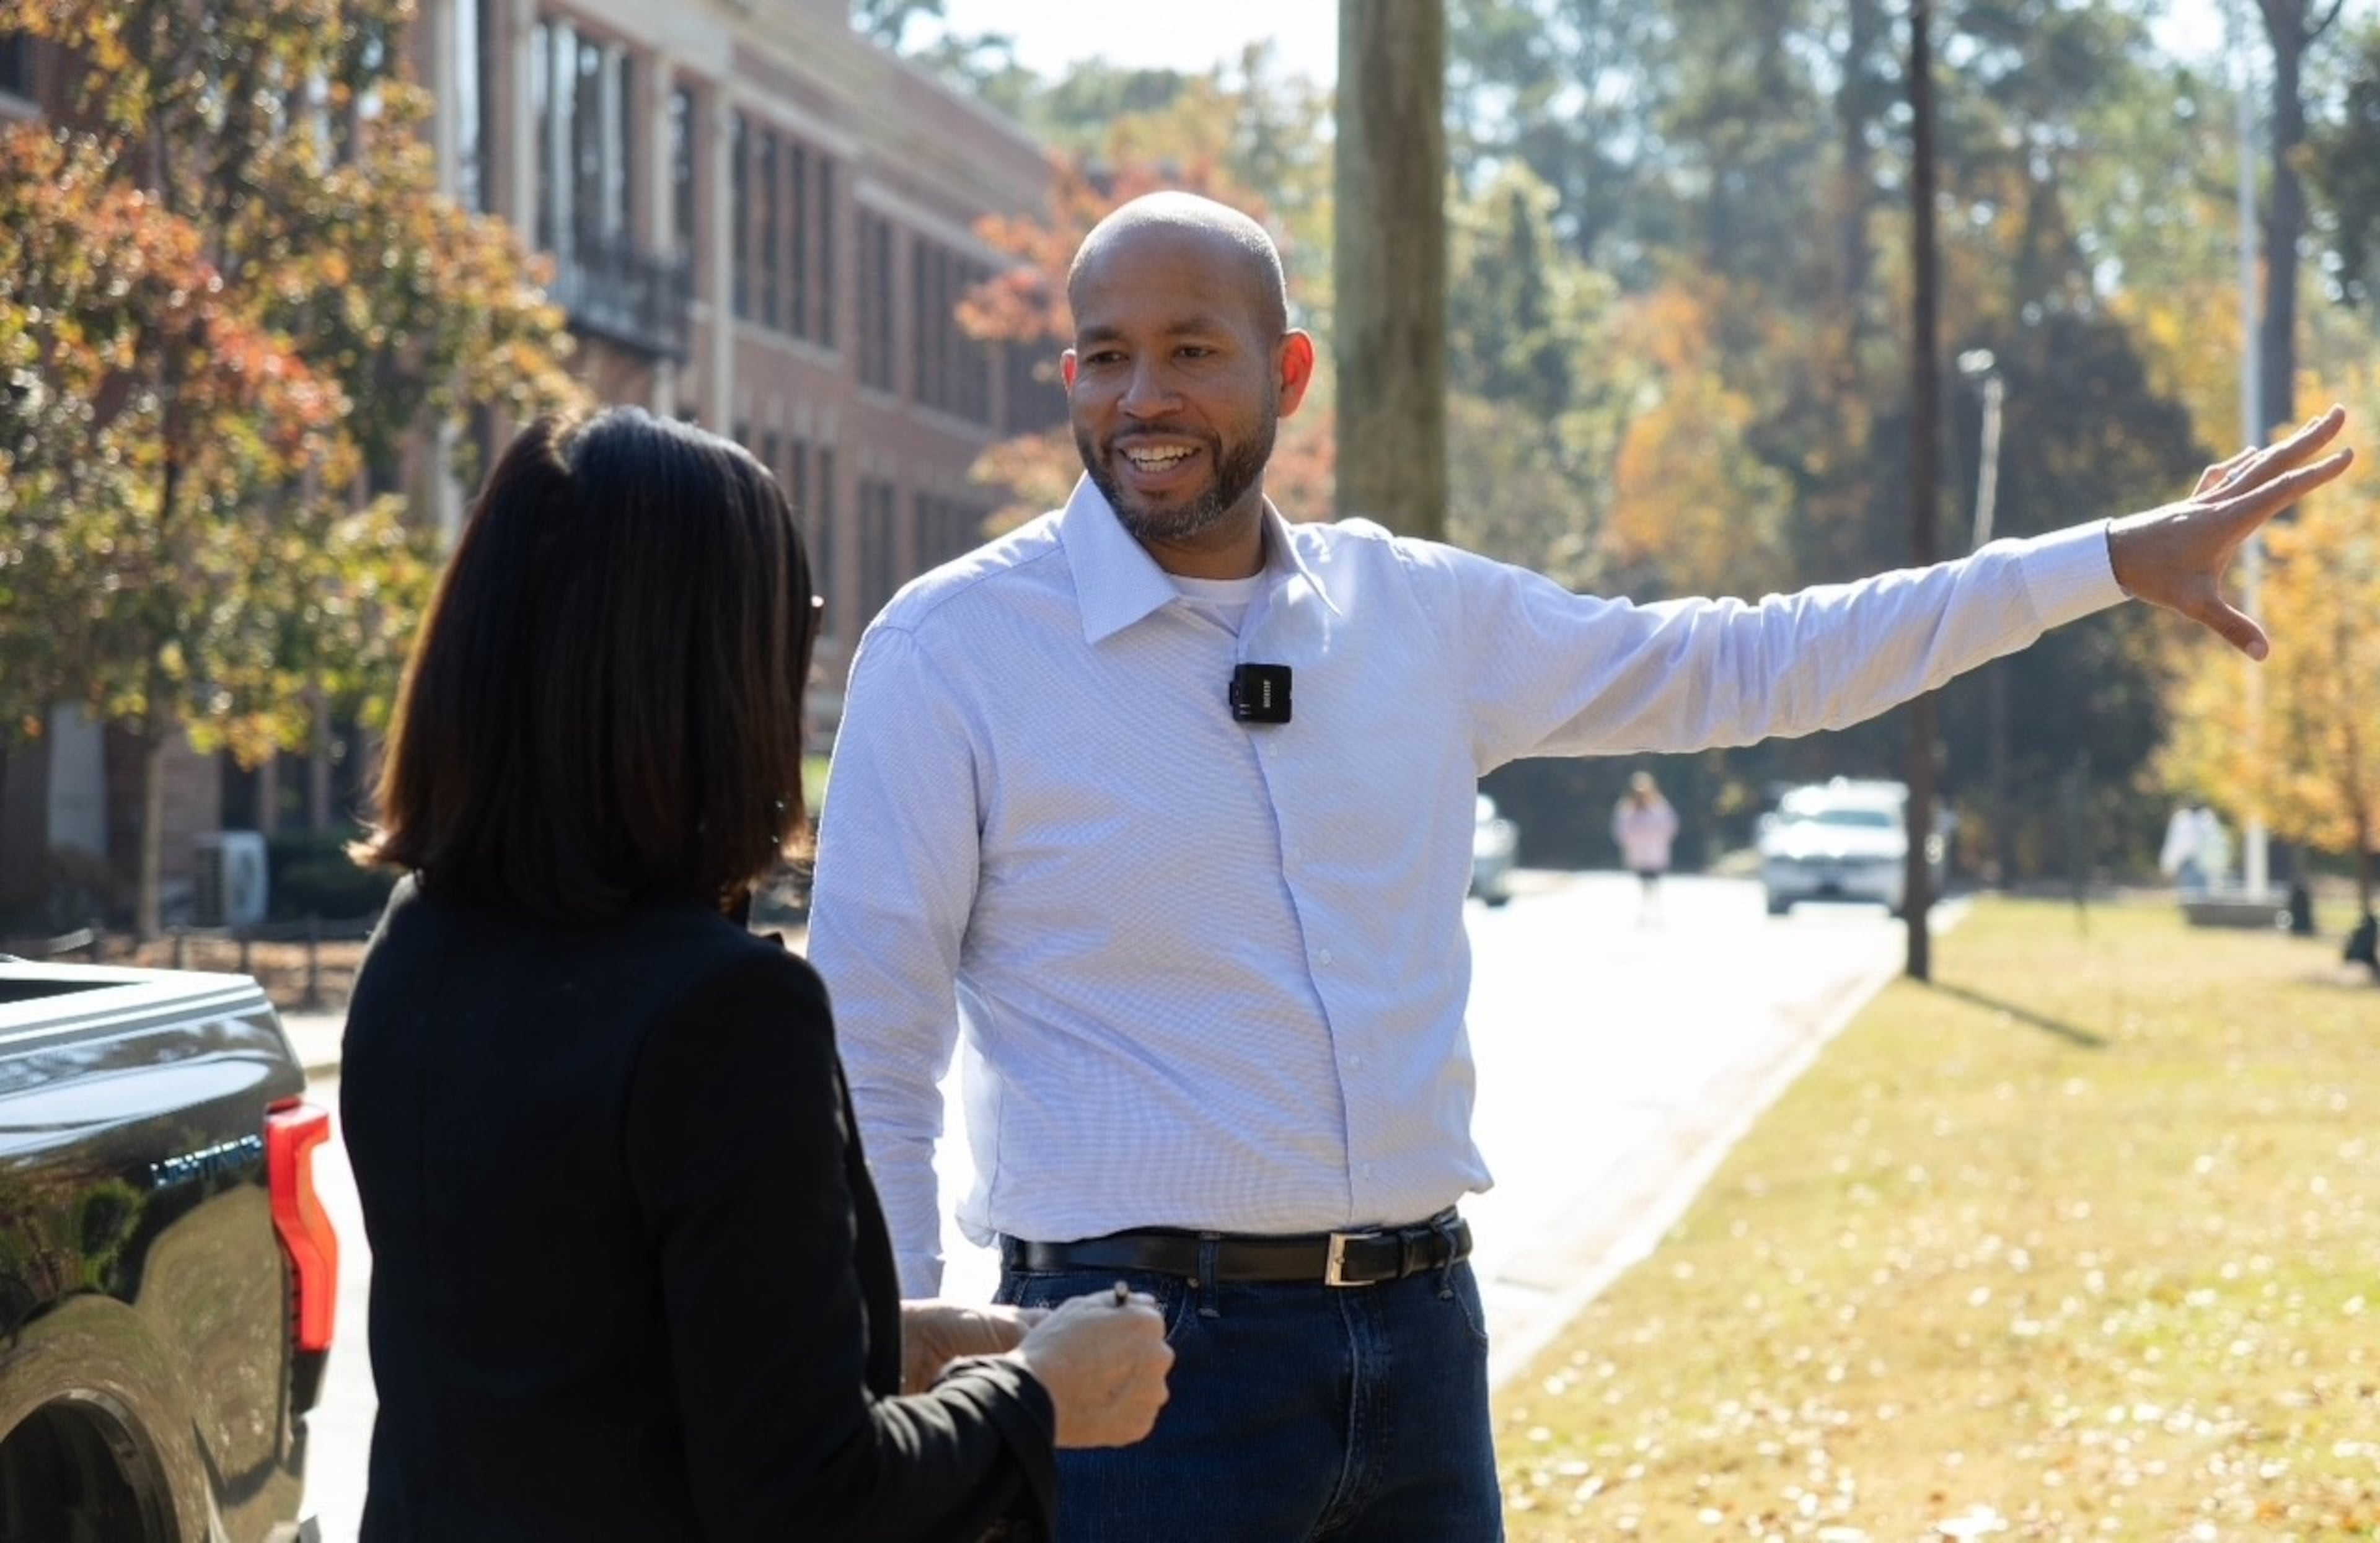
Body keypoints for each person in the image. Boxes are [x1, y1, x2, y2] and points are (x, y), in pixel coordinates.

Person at [804, 191, 2354, 1542]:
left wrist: (2101, 561)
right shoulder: (953, 652)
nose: (1143, 395)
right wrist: (907, 1374)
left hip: (1420, 1346)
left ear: (1286, 373)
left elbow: (1751, 661)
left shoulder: (1416, 617)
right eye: (1105, 354)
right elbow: (873, 1043)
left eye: (1191, 350)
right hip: (1125, 1375)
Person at [340, 407, 1171, 1541]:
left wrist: (880, 1339)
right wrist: (1041, 1392)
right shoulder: (723, 1014)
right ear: (710, 670)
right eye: (798, 625)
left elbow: (572, 1351)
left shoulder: (420, 942)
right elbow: (811, 1501)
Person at [1611, 770, 1681, 924]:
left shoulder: (1660, 808)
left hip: (1656, 853)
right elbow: (1621, 831)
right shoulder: (1627, 809)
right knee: (1643, 884)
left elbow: (1670, 826)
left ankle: (1657, 912)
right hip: (1638, 854)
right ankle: (1644, 912)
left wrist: (1660, 839)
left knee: (1655, 883)